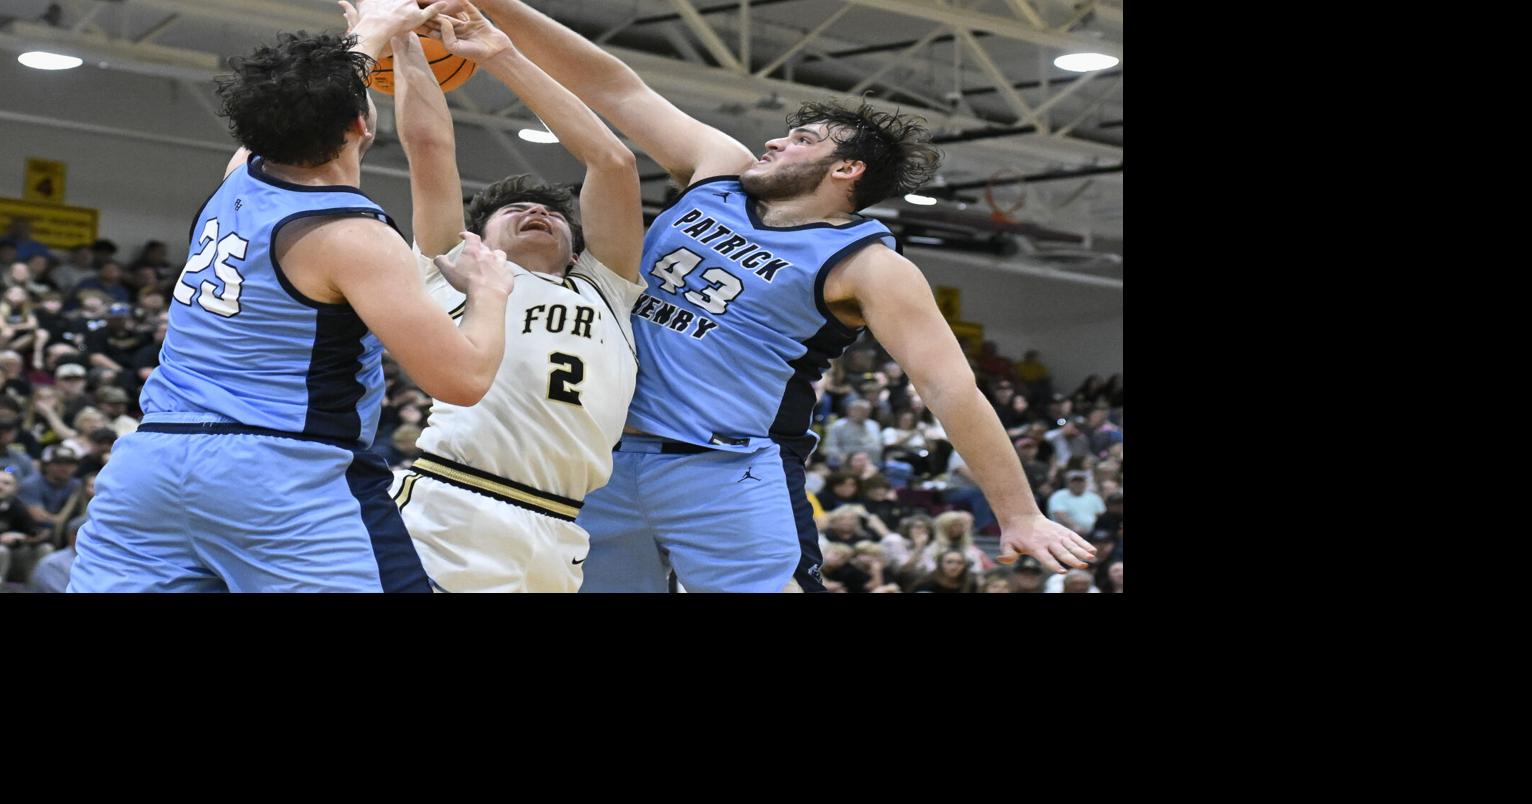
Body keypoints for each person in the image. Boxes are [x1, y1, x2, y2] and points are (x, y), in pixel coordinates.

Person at [475, 0, 1095, 591]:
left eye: (802, 139)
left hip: (724, 468)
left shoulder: (869, 264)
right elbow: (617, 89)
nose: (776, 142)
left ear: (846, 170)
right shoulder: (718, 170)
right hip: (595, 453)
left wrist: (1018, 514)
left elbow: (949, 388)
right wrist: (497, 11)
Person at [68, 0, 517, 593]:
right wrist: (490, 293)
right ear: (361, 126)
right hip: (280, 477)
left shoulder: (241, 173)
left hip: (149, 468)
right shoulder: (352, 235)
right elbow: (462, 380)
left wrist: (378, 31)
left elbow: (300, 101)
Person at [372, 4, 644, 593]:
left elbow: (614, 162)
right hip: (455, 502)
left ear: (576, 248)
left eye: (552, 214)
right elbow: (429, 146)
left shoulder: (608, 287)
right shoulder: (455, 269)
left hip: (561, 525)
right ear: (479, 237)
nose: (538, 212)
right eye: (515, 210)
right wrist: (404, 44)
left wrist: (502, 55)